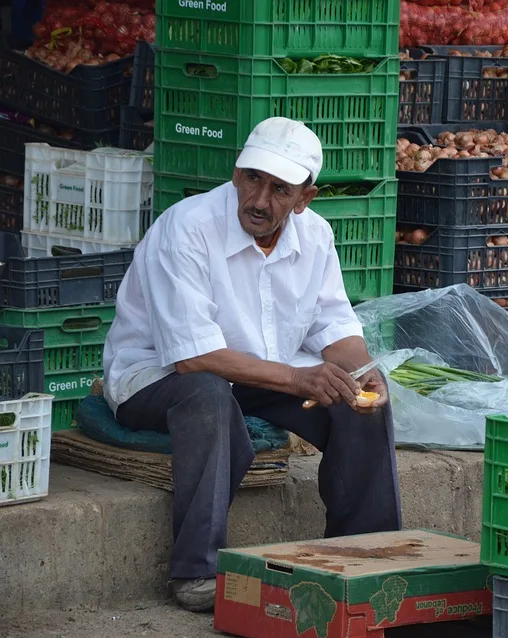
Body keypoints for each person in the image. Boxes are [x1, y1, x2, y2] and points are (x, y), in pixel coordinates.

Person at [101, 117, 403, 613]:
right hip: (157, 376)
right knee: (208, 393)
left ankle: (365, 555)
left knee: (359, 400)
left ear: (305, 198)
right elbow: (193, 356)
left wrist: (364, 371)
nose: (260, 200)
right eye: (252, 179)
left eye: (280, 189)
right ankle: (196, 570)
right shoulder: (188, 227)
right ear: (236, 173)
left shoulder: (316, 236)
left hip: (259, 372)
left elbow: (333, 327)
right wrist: (297, 376)